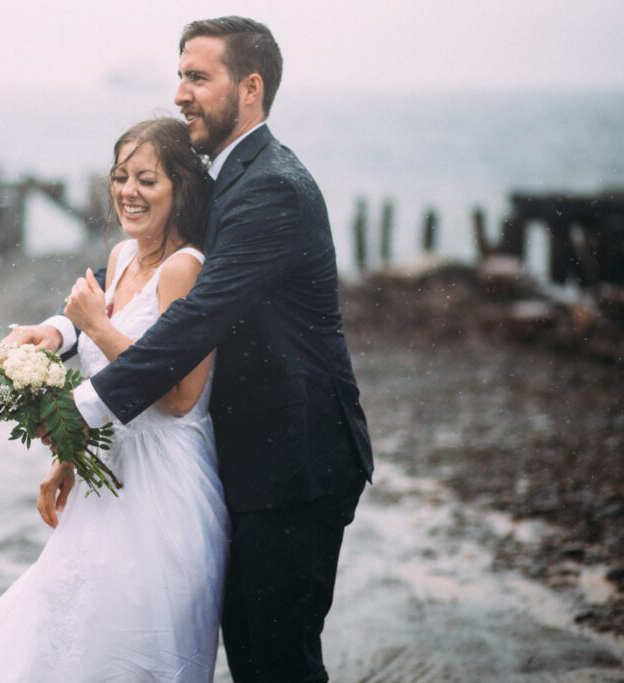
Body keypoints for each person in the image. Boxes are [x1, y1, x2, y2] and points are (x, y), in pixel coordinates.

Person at [20, 16, 374, 682]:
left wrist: (82, 411)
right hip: (247, 462)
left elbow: (197, 317)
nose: (180, 93)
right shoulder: (231, 176)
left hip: (297, 464)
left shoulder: (271, 186)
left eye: (197, 77)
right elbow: (142, 271)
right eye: (179, 74)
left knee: (276, 663)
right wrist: (63, 329)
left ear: (250, 88)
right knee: (251, 653)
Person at [0, 118, 229, 682]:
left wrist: (92, 323)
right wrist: (69, 448)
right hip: (105, 475)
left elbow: (182, 396)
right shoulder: (120, 259)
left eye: (147, 180)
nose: (128, 192)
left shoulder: (186, 269)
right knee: (66, 632)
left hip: (164, 488)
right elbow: (113, 370)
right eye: (120, 177)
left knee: (136, 645)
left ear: (180, 189)